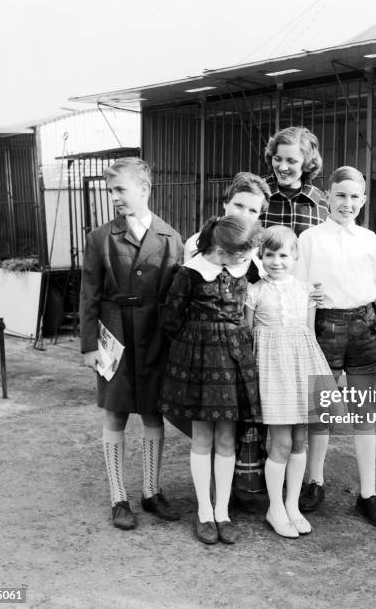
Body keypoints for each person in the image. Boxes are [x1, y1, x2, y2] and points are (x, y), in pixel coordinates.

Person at [80, 157, 183, 530]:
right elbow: (88, 295)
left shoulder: (171, 238)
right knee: (116, 412)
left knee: (154, 412)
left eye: (120, 189)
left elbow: (176, 296)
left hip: (156, 336)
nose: (114, 198)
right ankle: (118, 498)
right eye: (110, 191)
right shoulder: (99, 237)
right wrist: (90, 345)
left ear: (144, 188)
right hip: (114, 336)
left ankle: (152, 492)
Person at [230, 126, 329, 513]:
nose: (284, 166)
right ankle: (250, 483)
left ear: (307, 162)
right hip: (262, 306)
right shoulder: (261, 195)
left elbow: (319, 255)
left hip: (301, 311)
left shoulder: (320, 203)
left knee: (305, 416)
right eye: (278, 158)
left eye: (292, 160)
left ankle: (309, 484)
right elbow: (241, 243)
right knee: (264, 414)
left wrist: (315, 292)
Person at [294, 166, 376, 529]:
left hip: (365, 326)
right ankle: (314, 482)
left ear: (363, 201)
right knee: (322, 409)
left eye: (354, 197)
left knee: (363, 410)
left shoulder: (370, 239)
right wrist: (308, 301)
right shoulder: (310, 238)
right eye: (340, 195)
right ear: (328, 197)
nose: (347, 203)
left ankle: (368, 494)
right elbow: (297, 286)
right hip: (326, 325)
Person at [158, 215, 262, 545]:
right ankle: (204, 511)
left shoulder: (247, 267)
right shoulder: (188, 274)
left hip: (235, 362)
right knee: (202, 438)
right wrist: (197, 345)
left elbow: (267, 284)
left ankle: (223, 511)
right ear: (220, 249)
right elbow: (171, 320)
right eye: (241, 254)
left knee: (228, 439)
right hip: (200, 362)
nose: (247, 260)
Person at [181, 172, 270, 511]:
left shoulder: (254, 253)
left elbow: (258, 293)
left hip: (237, 352)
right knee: (204, 431)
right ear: (224, 204)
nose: (243, 215)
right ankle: (207, 503)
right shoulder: (198, 244)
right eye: (238, 206)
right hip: (203, 350)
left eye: (253, 210)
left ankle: (228, 499)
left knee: (231, 432)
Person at [245, 226, 334, 538]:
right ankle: (275, 508)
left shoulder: (307, 291)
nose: (276, 261)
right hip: (272, 372)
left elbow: (308, 333)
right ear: (260, 256)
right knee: (280, 443)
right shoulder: (253, 291)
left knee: (300, 441)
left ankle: (292, 505)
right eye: (269, 254)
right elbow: (247, 334)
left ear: (295, 256)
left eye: (283, 254)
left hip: (301, 368)